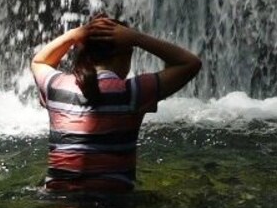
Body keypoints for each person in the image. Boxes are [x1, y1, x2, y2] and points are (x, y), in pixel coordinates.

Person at [30, 15, 202, 193]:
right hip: (113, 203)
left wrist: (74, 35)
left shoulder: (56, 86)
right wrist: (137, 38)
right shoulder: (133, 93)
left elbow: (39, 61)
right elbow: (190, 63)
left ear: (83, 52)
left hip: (58, 201)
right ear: (126, 56)